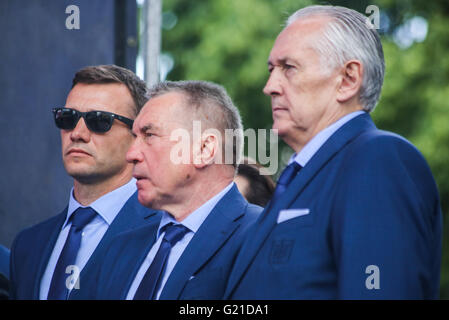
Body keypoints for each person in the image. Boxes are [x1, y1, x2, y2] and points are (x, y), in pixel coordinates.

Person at [224, 5, 442, 299]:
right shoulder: (303, 176)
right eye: (271, 69)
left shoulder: (377, 159)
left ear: (348, 79)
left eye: (289, 67)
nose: (270, 86)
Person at [89, 80, 262, 300]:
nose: (131, 154)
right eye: (135, 138)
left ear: (204, 149)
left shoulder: (262, 237)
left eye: (149, 135)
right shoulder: (119, 248)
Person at [9, 65, 159, 300]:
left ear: (138, 135)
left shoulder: (166, 235)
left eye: (99, 121)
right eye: (67, 118)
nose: (77, 133)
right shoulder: (28, 246)